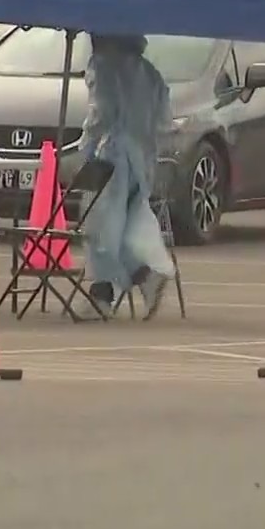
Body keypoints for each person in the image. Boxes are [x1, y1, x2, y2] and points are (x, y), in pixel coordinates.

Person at [81, 33, 175, 318]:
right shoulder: (149, 72)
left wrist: (86, 145)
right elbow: (164, 118)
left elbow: (102, 112)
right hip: (143, 157)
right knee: (126, 225)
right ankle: (139, 279)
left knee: (98, 225)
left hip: (113, 156)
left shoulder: (104, 66)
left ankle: (105, 294)